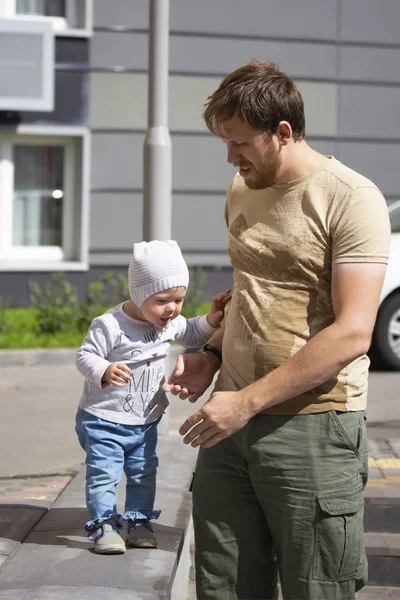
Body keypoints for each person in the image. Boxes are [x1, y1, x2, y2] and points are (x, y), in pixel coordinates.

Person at [163, 61, 391, 600]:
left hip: (312, 427)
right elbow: (251, 290)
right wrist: (211, 357)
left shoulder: (351, 198)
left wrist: (245, 403)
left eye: (240, 143)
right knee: (223, 587)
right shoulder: (242, 188)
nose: (230, 157)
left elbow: (354, 332)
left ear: (282, 133)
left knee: (318, 588)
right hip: (229, 425)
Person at [75, 240, 230, 555]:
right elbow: (84, 355)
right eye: (162, 300)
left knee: (144, 471)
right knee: (104, 473)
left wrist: (211, 321)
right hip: (104, 419)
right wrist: (103, 369)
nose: (172, 309)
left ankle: (138, 520)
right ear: (139, 293)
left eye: (179, 299)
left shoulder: (169, 322)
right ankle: (104, 525)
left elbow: (189, 331)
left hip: (144, 421)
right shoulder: (110, 325)